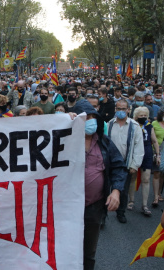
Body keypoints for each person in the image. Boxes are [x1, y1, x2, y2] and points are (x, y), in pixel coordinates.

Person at [70, 99, 126, 270]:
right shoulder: (63, 140)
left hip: (94, 206)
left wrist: (116, 191)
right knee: (66, 248)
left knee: (89, 251)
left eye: (93, 117)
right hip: (67, 207)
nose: (90, 121)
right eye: (86, 117)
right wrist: (62, 123)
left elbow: (118, 167)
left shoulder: (105, 142)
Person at [107, 100, 145, 223]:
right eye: (119, 109)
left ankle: (121, 212)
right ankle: (103, 214)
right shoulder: (109, 124)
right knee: (105, 188)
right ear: (115, 109)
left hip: (125, 164)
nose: (121, 111)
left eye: (124, 109)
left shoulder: (134, 126)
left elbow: (139, 147)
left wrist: (135, 164)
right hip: (110, 163)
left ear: (128, 110)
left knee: (122, 190)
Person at [128, 107, 160, 216]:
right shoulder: (132, 125)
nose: (143, 117)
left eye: (145, 115)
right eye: (140, 115)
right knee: (133, 176)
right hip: (135, 151)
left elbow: (154, 141)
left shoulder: (149, 126)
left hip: (147, 152)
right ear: (136, 116)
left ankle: (144, 205)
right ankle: (131, 201)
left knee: (146, 179)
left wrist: (157, 154)